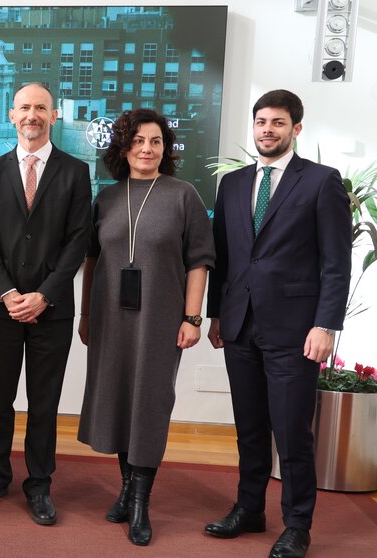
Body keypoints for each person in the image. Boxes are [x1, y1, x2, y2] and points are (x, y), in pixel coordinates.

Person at [204, 90, 351, 558]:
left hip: (295, 329)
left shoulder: (322, 182)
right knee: (249, 427)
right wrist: (217, 316)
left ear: (296, 129)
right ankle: (249, 509)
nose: (267, 130)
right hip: (240, 325)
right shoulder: (232, 184)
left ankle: (298, 525)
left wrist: (326, 325)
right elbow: (223, 258)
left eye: (278, 123)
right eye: (261, 121)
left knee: (291, 432)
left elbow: (335, 263)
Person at [76, 108, 215, 545]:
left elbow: (199, 261)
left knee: (149, 404)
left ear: (165, 149)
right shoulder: (107, 198)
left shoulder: (183, 195)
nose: (147, 149)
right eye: (138, 141)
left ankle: (140, 504)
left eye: (155, 142)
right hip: (110, 317)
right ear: (124, 148)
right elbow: (91, 262)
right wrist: (85, 315)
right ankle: (125, 489)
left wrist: (193, 318)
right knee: (118, 400)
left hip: (160, 318)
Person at [0, 82, 91, 525]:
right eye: (24, 107)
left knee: (44, 403)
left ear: (53, 115)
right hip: (0, 307)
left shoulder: (76, 172)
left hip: (52, 310)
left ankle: (39, 485)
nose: (32, 115)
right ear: (12, 114)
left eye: (41, 108)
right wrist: (7, 292)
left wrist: (44, 294)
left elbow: (79, 240)